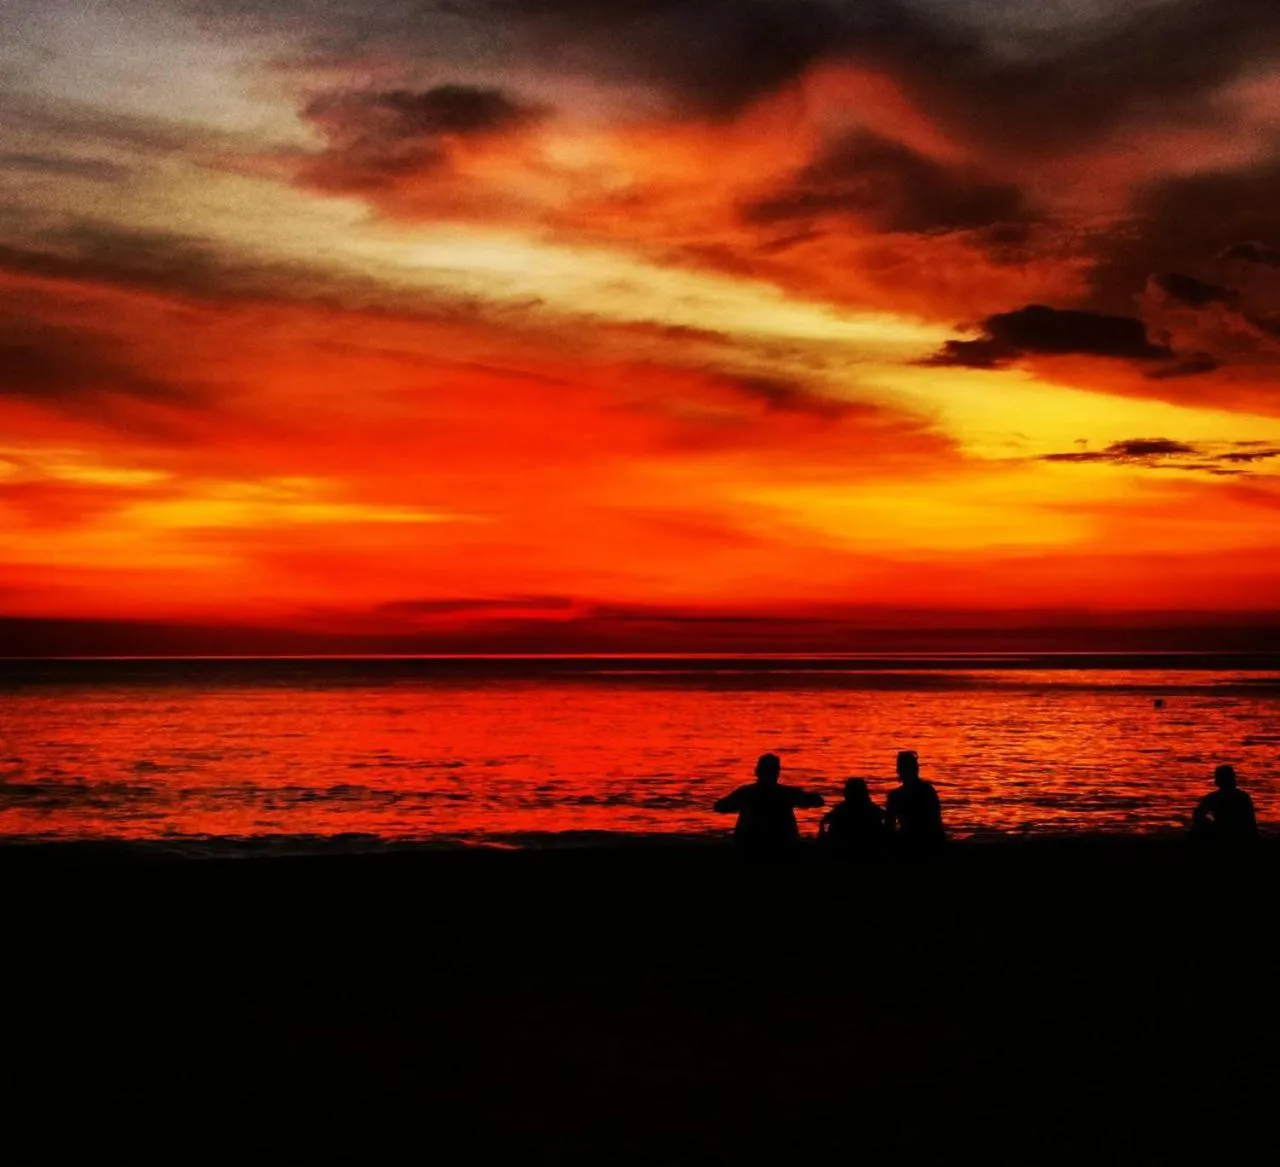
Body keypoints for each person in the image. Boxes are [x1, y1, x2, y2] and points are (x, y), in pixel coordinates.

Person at [713, 752, 824, 857]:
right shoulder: (786, 793)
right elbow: (818, 801)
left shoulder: (745, 793)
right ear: (777, 773)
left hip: (750, 848)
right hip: (782, 848)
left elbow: (719, 806)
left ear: (757, 771)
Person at [884, 750, 945, 851]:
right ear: (916, 769)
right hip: (929, 842)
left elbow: (889, 827)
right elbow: (936, 822)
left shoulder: (896, 796)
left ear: (899, 770)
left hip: (909, 842)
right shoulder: (928, 790)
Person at [818, 778, 885, 857]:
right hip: (867, 848)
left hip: (847, 849)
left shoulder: (842, 809)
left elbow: (824, 821)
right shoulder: (872, 809)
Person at [1192, 764, 1257, 843]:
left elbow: (1197, 815)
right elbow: (1251, 821)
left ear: (1218, 781)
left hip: (1221, 833)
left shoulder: (1213, 797)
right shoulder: (1243, 796)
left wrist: (1208, 824)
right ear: (1233, 779)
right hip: (1240, 834)